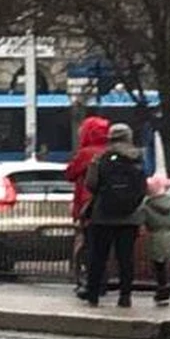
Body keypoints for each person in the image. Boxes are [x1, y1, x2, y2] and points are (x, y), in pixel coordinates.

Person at [82, 123, 146, 309]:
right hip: (131, 215)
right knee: (125, 258)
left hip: (103, 214)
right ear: (129, 137)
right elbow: (142, 185)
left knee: (98, 256)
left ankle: (93, 295)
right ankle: (125, 296)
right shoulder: (138, 157)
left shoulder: (101, 157)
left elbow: (91, 184)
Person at [65, 116, 110, 299]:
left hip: (88, 206)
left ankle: (90, 283)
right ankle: (105, 283)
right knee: (106, 249)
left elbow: (70, 173)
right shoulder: (109, 151)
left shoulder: (86, 153)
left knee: (88, 247)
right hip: (109, 206)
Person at [142, 176, 170, 306]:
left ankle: (161, 288)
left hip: (155, 236)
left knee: (158, 266)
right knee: (169, 263)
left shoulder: (146, 207)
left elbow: (143, 222)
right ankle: (169, 285)